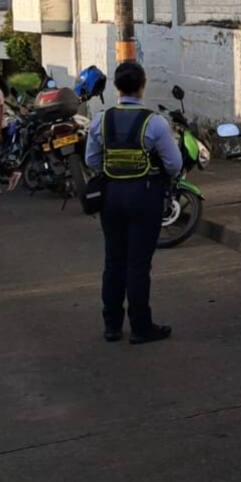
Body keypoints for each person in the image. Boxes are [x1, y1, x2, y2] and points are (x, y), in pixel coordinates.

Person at [85, 61, 182, 344]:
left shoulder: (100, 120)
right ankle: (141, 327)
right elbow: (174, 164)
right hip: (145, 195)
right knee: (138, 264)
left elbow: (92, 160)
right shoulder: (154, 122)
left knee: (113, 261)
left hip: (111, 196)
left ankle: (111, 325)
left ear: (116, 86)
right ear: (142, 85)